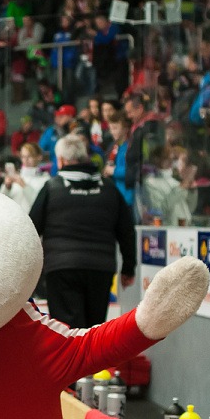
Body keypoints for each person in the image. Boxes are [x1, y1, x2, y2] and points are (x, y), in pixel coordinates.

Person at [29, 134, 136, 329]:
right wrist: (129, 268)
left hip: (61, 269)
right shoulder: (109, 188)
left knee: (68, 332)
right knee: (93, 332)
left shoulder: (52, 188)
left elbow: (31, 229)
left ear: (61, 160)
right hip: (100, 269)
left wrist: (29, 270)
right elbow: (127, 231)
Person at [1, 142, 50, 213]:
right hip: (13, 216)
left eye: (30, 156)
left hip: (31, 218)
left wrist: (24, 185)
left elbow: (39, 204)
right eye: (23, 156)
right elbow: (1, 202)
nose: (26, 160)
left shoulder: (45, 179)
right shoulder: (16, 176)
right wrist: (7, 187)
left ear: (39, 157)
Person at [39, 104, 76, 174]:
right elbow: (40, 149)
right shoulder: (51, 131)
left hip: (72, 167)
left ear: (70, 117)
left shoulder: (77, 130)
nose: (57, 118)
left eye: (61, 116)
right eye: (57, 115)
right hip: (55, 168)